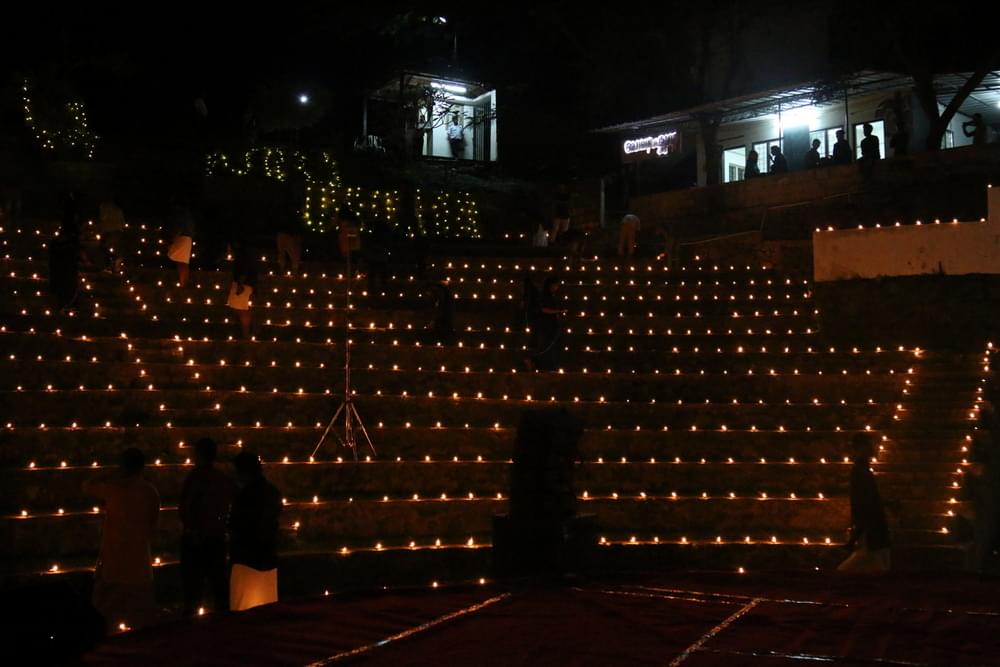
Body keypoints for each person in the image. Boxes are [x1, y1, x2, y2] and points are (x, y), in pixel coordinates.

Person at [83, 448, 161, 631]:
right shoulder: (150, 491)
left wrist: (111, 472)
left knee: (106, 611)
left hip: (114, 558)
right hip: (139, 561)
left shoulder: (113, 489)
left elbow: (87, 485)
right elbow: (154, 525)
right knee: (140, 616)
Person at [180, 438, 236, 616]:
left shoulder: (196, 477)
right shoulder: (223, 478)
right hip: (217, 536)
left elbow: (187, 507)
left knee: (193, 587)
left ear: (199, 455)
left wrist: (193, 529)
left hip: (197, 538)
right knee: (218, 583)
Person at [229, 451, 282, 611]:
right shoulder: (273, 492)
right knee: (266, 606)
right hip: (268, 556)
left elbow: (240, 524)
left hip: (247, 560)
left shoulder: (245, 496)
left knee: (245, 607)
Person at [838, 434, 891, 573]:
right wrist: (860, 526)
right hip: (871, 524)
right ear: (860, 448)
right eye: (868, 444)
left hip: (871, 523)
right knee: (872, 559)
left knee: (878, 560)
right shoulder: (860, 472)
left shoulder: (863, 471)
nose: (872, 447)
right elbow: (863, 501)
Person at [527, 276, 566, 371]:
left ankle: (543, 365)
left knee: (549, 346)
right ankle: (530, 359)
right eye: (556, 285)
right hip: (546, 325)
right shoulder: (545, 295)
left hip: (550, 325)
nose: (557, 287)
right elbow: (544, 309)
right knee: (545, 345)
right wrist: (559, 311)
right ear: (551, 285)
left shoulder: (550, 295)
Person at [227, 240, 258, 339]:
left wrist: (240, 284)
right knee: (240, 309)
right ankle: (247, 332)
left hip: (244, 284)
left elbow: (244, 268)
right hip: (243, 282)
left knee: (243, 310)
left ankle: (246, 334)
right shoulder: (245, 253)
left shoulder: (243, 254)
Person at [167, 202, 196, 288]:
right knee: (183, 263)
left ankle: (183, 283)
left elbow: (179, 227)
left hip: (183, 238)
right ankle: (183, 282)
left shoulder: (182, 216)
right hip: (187, 239)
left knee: (182, 263)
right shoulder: (189, 217)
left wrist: (173, 239)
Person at [98, 196, 126, 274]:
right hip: (118, 231)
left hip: (110, 231)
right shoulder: (118, 209)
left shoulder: (104, 206)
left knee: (103, 248)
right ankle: (111, 265)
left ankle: (115, 261)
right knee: (108, 248)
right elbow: (123, 222)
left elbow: (103, 217)